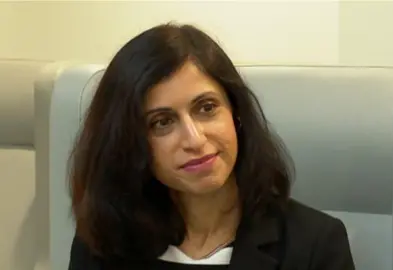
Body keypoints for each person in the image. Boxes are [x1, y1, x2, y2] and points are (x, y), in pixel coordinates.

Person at [67, 23, 355, 270]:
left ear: (236, 113)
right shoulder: (103, 243)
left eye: (206, 108)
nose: (194, 139)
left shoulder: (315, 245)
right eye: (162, 122)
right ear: (129, 142)